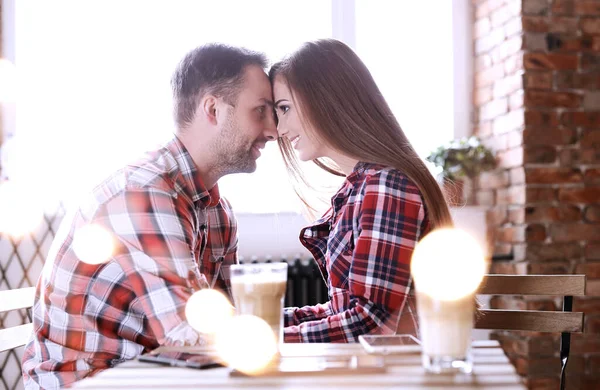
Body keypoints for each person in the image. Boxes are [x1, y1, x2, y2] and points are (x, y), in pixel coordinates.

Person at [22, 43, 277, 389]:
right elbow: (191, 333)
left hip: (152, 376)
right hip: (90, 382)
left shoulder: (218, 212)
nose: (273, 130)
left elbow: (226, 327)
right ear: (214, 109)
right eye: (260, 111)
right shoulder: (143, 193)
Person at [270, 38, 453, 343]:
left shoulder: (385, 186)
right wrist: (256, 324)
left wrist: (269, 339)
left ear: (324, 99)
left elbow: (371, 322)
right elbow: (347, 312)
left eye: (285, 108)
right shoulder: (363, 186)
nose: (280, 129)